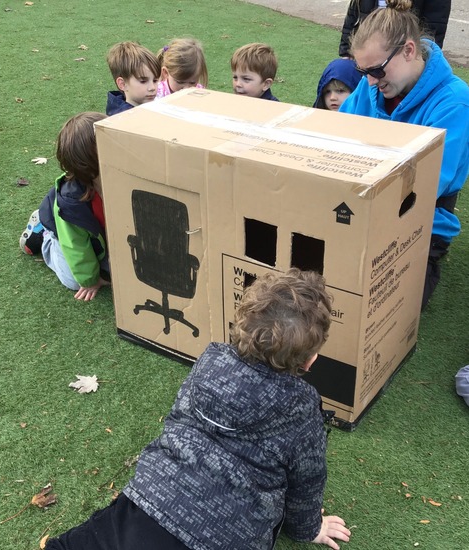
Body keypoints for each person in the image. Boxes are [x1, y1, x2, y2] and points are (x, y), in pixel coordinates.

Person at [45, 269, 351, 549]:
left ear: (240, 325)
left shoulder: (209, 361)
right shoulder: (302, 406)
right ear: (310, 360)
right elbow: (308, 480)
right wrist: (309, 528)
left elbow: (179, 421)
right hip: (228, 534)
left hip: (150, 501)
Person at [339, 0, 469, 309]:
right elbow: (336, 134)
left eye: (376, 70)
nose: (369, 81)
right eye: (363, 71)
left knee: (386, 305)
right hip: (359, 200)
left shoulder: (454, 102)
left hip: (419, 216)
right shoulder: (370, 87)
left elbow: (424, 187)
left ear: (409, 51)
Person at [19, 112, 111, 301]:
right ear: (88, 165)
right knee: (74, 281)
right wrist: (90, 280)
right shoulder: (72, 204)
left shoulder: (120, 180)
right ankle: (44, 236)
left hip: (98, 236)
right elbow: (76, 246)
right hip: (64, 232)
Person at [338, 0, 452, 58]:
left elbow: (433, 29)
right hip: (367, 57)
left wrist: (421, 60)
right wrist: (346, 52)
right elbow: (354, 15)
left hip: (404, 58)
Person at [106, 41, 161, 115]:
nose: (152, 88)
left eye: (155, 80)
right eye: (143, 81)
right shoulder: (122, 120)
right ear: (123, 84)